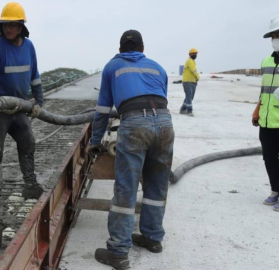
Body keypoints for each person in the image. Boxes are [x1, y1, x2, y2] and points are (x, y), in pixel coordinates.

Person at [88, 30, 174, 269]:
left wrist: (96, 141)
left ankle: (117, 251)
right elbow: (159, 98)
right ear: (142, 48)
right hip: (165, 123)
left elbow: (104, 109)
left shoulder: (112, 66)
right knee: (157, 184)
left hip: (135, 124)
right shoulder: (157, 67)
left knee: (126, 189)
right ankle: (152, 238)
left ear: (120, 50)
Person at [0, 2, 44, 200]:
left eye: (12, 25)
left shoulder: (29, 47)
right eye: (5, 25)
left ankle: (30, 184)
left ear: (21, 26)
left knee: (27, 143)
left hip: (19, 107)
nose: (8, 28)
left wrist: (39, 101)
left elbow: (34, 76)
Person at [252, 14, 279, 211]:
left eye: (278, 34)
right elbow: (265, 91)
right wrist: (257, 110)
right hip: (267, 120)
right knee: (269, 157)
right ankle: (275, 190)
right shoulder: (266, 62)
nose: (275, 38)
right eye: (274, 35)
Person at [179, 48, 200, 116]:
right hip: (188, 81)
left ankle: (183, 109)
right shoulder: (190, 61)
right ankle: (189, 111)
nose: (195, 55)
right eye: (193, 54)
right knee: (189, 96)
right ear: (190, 54)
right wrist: (198, 76)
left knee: (190, 97)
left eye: (195, 54)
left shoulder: (192, 61)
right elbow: (193, 70)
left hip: (192, 81)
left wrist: (195, 79)